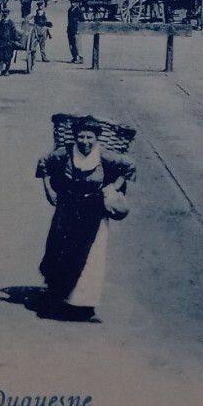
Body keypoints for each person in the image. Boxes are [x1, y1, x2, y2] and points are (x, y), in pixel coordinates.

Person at [35, 117, 136, 320]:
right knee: (59, 251)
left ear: (97, 138)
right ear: (75, 137)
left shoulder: (105, 156)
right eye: (80, 136)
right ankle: (60, 298)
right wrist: (48, 189)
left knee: (90, 256)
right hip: (67, 209)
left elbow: (129, 166)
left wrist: (112, 188)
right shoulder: (65, 152)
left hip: (94, 212)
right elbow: (44, 162)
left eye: (90, 137)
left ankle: (84, 304)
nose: (85, 141)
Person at [0, 6, 21, 76]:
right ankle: (0, 70)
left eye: (6, 13)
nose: (5, 14)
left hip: (9, 42)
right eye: (3, 13)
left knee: (8, 57)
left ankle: (7, 70)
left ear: (8, 14)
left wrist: (16, 40)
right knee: (0, 57)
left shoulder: (11, 23)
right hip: (1, 42)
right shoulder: (0, 23)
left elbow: (14, 32)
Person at [66, 0, 84, 64]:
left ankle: (80, 58)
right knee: (71, 44)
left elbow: (82, 20)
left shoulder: (79, 10)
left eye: (73, 2)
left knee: (77, 44)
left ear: (76, 3)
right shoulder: (69, 10)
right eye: (71, 2)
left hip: (76, 29)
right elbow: (68, 20)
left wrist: (77, 23)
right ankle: (74, 57)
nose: (72, 4)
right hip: (70, 29)